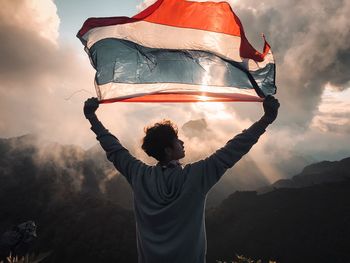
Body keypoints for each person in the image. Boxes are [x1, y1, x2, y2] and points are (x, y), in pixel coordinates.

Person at [83, 96, 280, 263]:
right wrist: (266, 119)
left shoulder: (139, 175)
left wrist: (92, 117)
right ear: (169, 150)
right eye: (177, 140)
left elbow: (114, 149)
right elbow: (233, 149)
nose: (183, 141)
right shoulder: (197, 176)